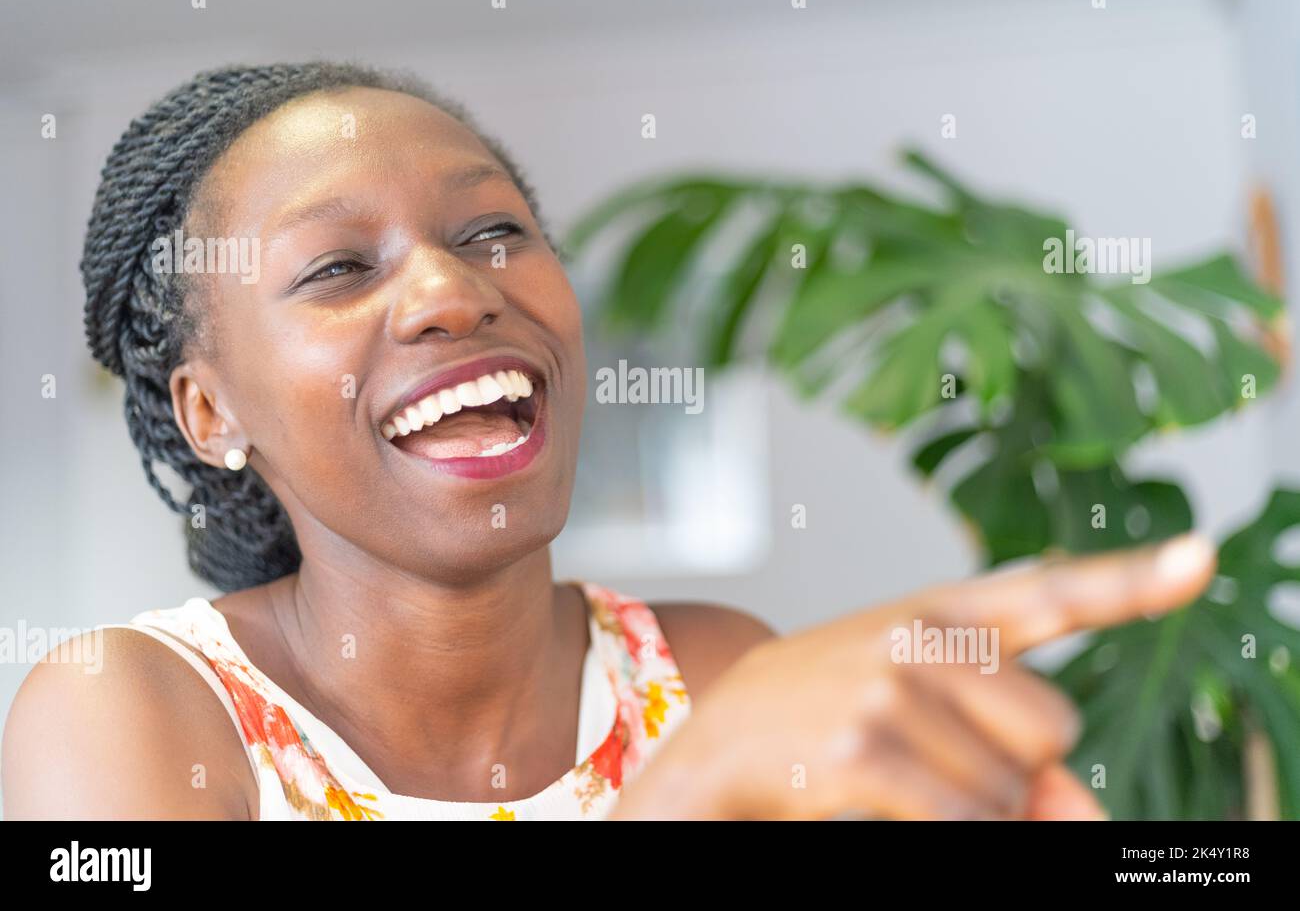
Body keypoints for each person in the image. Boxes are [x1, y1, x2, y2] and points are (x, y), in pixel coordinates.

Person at [0, 63, 1217, 820]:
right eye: (335, 266)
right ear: (212, 411)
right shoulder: (126, 708)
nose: (449, 289)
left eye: (491, 232)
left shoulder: (712, 670)